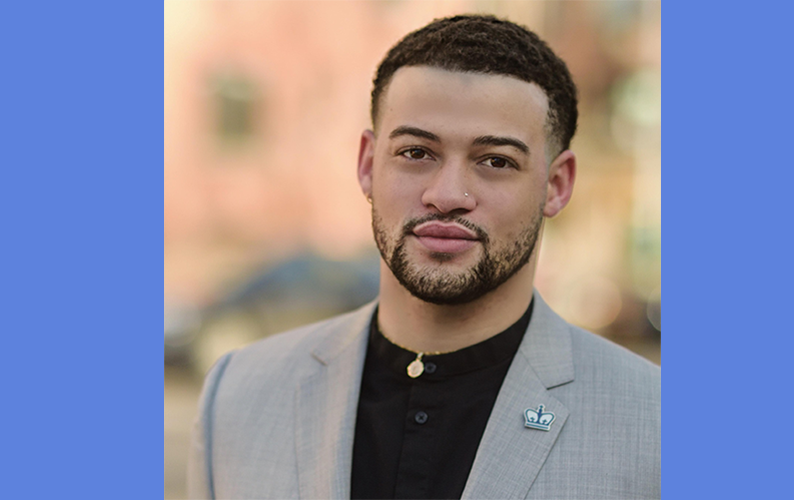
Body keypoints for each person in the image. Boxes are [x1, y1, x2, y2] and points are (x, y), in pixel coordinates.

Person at [188, 14, 660, 500]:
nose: (447, 194)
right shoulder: (238, 396)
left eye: (496, 161)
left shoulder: (655, 423)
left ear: (556, 186)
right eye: (416, 153)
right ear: (369, 165)